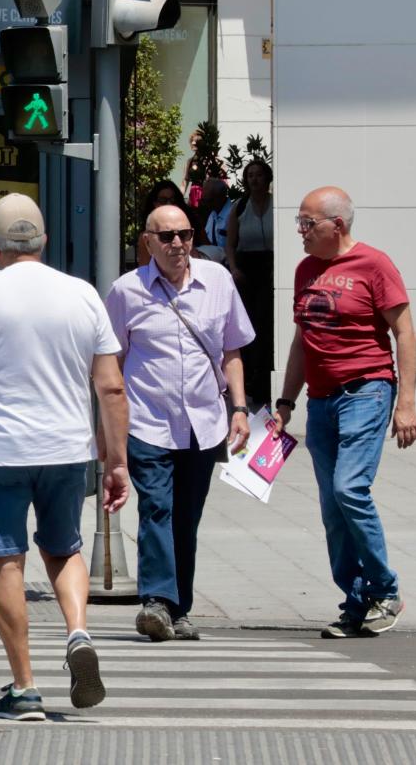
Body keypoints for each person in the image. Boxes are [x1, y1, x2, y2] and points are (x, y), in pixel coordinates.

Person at [0, 194, 129, 721]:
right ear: (42, 239)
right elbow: (110, 388)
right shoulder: (82, 295)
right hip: (67, 448)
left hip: (2, 452)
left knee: (6, 560)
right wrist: (117, 462)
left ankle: (25, 687)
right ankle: (78, 631)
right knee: (64, 549)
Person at [272, 186, 416, 639]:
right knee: (333, 508)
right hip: (321, 400)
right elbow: (302, 340)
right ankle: (357, 602)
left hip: (367, 392)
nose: (300, 231)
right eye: (299, 222)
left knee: (349, 488)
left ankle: (385, 590)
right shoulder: (305, 270)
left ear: (337, 225)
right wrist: (285, 402)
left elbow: (405, 334)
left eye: (307, 223)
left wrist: (407, 402)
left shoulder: (374, 265)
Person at [105, 204, 254, 643]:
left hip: (204, 422)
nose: (177, 244)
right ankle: (155, 601)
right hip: (147, 420)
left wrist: (240, 409)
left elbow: (232, 351)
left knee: (186, 516)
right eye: (166, 236)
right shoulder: (125, 292)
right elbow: (111, 362)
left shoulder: (218, 282)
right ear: (147, 241)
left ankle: (178, 607)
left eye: (185, 235)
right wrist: (107, 427)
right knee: (157, 508)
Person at [225, 159, 275, 408]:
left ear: (267, 178)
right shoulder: (240, 206)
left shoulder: (277, 204)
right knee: (247, 325)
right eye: (250, 175)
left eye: (259, 175)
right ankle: (247, 382)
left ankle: (264, 381)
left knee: (267, 326)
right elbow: (230, 243)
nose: (254, 179)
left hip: (270, 266)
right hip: (246, 268)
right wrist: (234, 269)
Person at [134, 180, 196, 268]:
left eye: (184, 234)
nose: (169, 204)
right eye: (165, 236)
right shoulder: (146, 236)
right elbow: (145, 269)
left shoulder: (192, 224)